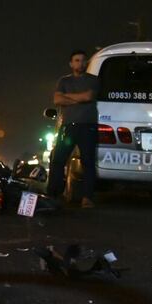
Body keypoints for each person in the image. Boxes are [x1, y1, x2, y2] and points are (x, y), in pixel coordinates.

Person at [46, 50, 100, 208]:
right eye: (76, 60)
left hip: (88, 127)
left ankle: (87, 198)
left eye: (83, 60)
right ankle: (53, 194)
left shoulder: (93, 80)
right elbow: (57, 99)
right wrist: (79, 98)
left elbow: (89, 97)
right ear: (71, 64)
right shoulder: (63, 81)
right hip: (69, 127)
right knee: (58, 160)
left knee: (88, 162)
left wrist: (68, 98)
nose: (80, 63)